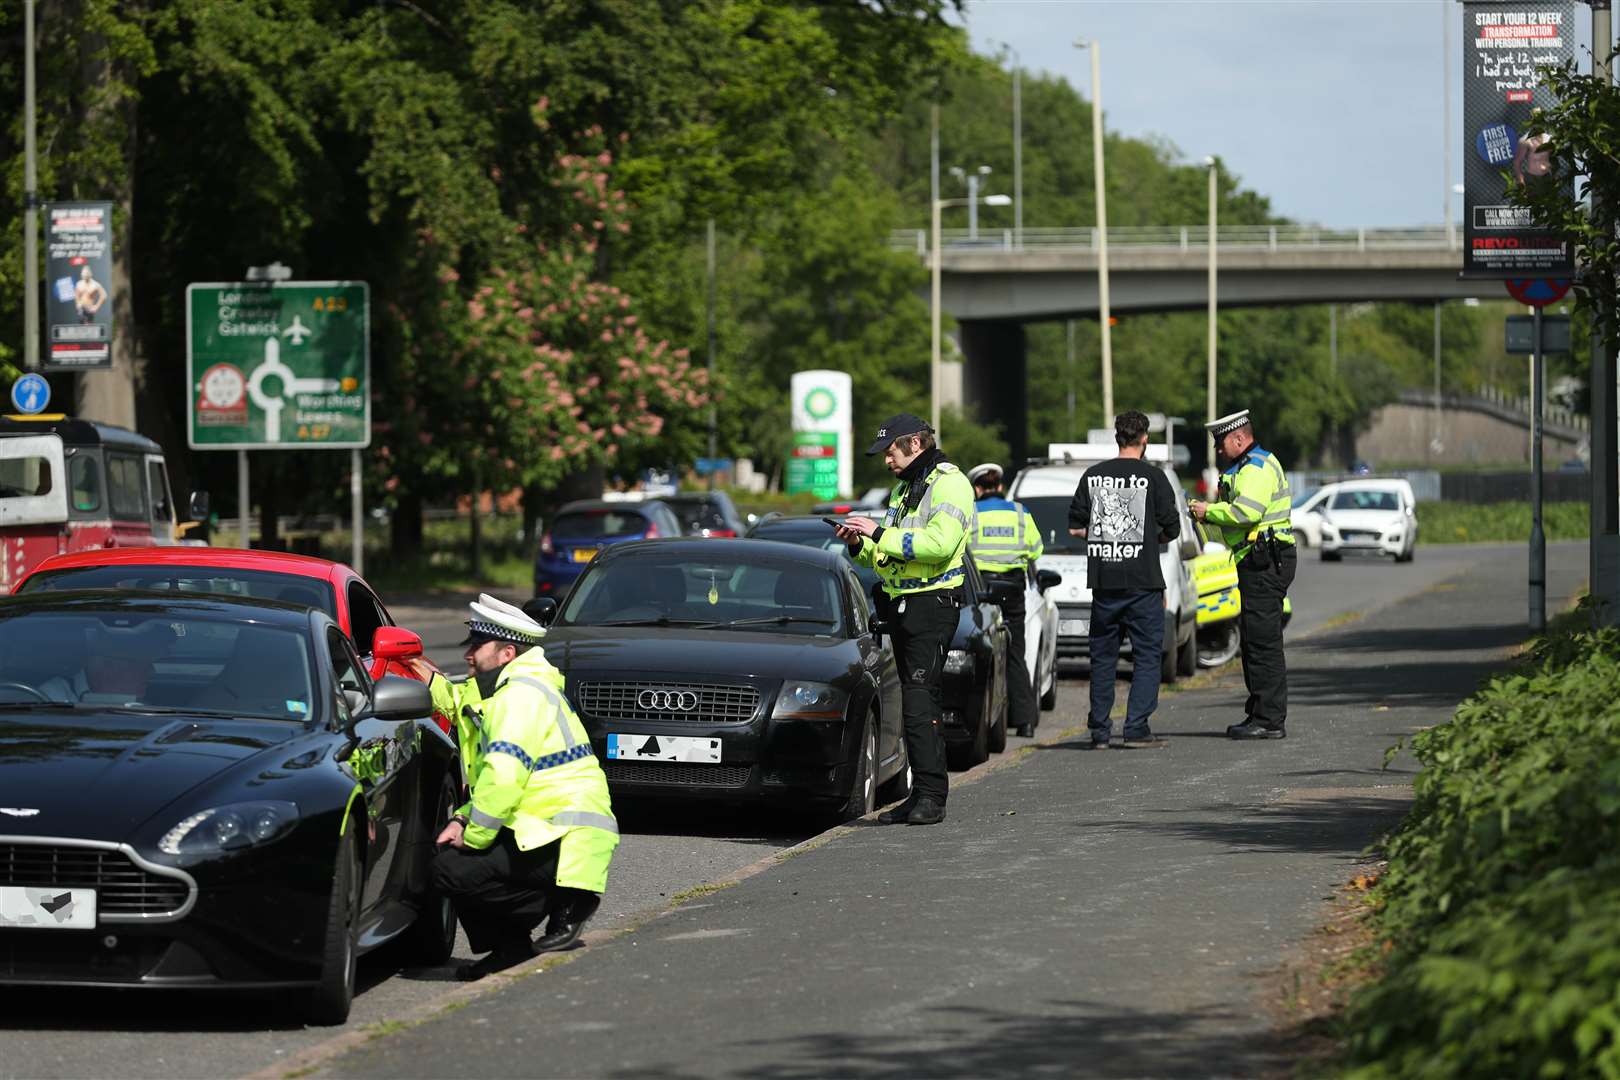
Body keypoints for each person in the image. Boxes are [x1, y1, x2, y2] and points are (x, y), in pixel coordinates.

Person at [424, 594, 619, 979]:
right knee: (453, 863)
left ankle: (569, 899)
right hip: (546, 828)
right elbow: (463, 704)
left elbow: (504, 776)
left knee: (450, 868)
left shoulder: (520, 698)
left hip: (565, 838)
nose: (469, 654)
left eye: (477, 646)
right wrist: (464, 819)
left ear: (506, 653)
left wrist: (473, 833)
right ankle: (512, 946)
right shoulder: (516, 689)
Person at [833, 413, 974, 826]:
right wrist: (861, 544)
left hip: (932, 605)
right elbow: (890, 556)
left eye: (891, 451)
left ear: (915, 444)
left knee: (919, 699)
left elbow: (939, 543)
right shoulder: (906, 488)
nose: (886, 461)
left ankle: (932, 797)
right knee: (914, 702)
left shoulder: (949, 482)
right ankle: (919, 795)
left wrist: (878, 533)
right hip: (903, 605)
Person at [1066, 410, 1181, 749]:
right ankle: (1135, 728)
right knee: (1146, 657)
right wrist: (1146, 540)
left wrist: (1103, 538)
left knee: (1103, 660)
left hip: (1104, 583)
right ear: (1144, 440)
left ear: (1117, 438)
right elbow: (1171, 529)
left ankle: (1099, 732)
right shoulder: (1154, 477)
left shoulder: (1093, 476)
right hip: (1143, 583)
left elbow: (1075, 527)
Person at [1189, 410, 1297, 740]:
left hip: (1265, 562)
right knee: (1254, 639)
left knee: (1263, 643)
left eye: (1221, 444)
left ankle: (1269, 719)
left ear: (1239, 438)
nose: (1219, 451)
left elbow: (1245, 512)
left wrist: (1209, 511)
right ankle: (1260, 713)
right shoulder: (1246, 467)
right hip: (1258, 562)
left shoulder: (1258, 468)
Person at [966, 462, 1043, 738]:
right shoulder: (1021, 513)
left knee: (981, 651)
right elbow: (1036, 550)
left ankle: (980, 719)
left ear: (977, 488)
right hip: (1012, 589)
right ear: (1000, 486)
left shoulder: (970, 514)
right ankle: (1024, 722)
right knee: (1014, 652)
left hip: (981, 588)